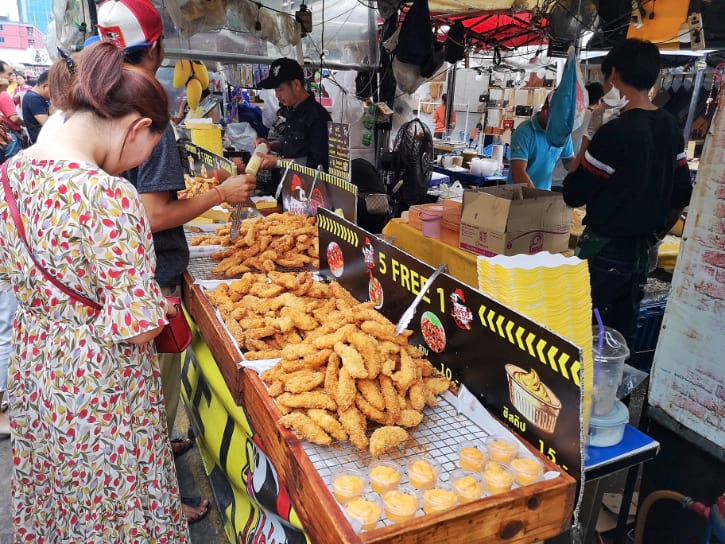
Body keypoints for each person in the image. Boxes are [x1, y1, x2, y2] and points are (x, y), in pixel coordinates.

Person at [0, 40, 190, 542]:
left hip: (38, 368)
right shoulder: (106, 195)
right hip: (99, 383)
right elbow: (139, 330)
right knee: (115, 504)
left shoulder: (9, 175)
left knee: (61, 498)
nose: (133, 167)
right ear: (137, 128)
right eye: (146, 152)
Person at [96, 0, 255, 523]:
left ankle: (159, 459)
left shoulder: (102, 102)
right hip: (153, 282)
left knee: (142, 397)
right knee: (153, 397)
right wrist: (220, 194)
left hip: (120, 279)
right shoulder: (153, 104)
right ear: (160, 47)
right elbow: (151, 215)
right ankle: (164, 497)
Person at [563, 38, 693, 359]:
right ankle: (612, 402)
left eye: (608, 78)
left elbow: (573, 192)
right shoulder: (670, 127)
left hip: (604, 256)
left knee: (586, 337)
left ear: (615, 77)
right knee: (619, 340)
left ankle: (585, 402)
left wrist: (589, 136)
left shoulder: (615, 133)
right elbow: (682, 193)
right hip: (641, 256)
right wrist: (654, 234)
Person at [254, 57, 332, 172]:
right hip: (290, 182)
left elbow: (316, 163)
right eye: (275, 90)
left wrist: (278, 162)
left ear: (296, 84)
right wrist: (270, 145)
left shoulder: (317, 117)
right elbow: (290, 143)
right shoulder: (292, 110)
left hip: (309, 187)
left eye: (280, 89)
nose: (277, 95)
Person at [507, 91, 575, 191]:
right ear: (545, 110)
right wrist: (536, 196)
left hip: (544, 193)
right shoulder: (524, 132)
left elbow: (569, 161)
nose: (558, 124)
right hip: (518, 196)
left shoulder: (561, 133)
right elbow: (518, 172)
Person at [20, 70, 50, 144]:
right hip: (42, 142)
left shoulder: (35, 96)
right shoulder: (33, 98)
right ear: (45, 86)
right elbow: (48, 125)